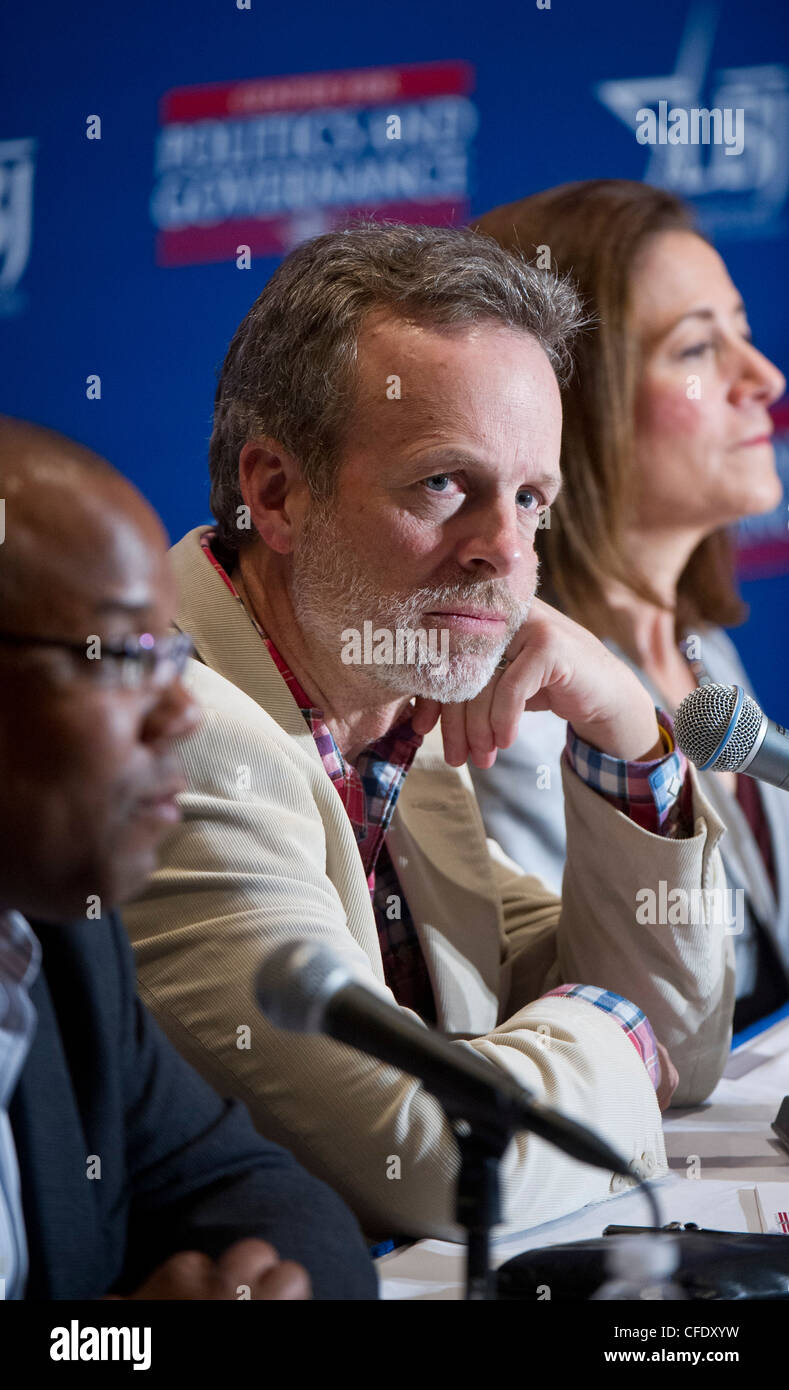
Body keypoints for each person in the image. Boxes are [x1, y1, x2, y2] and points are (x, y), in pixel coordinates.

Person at [124, 221, 735, 1243]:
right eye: (444, 483)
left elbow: (682, 1043)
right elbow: (432, 1157)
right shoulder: (180, 734)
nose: (504, 550)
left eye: (530, 497)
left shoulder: (389, 707)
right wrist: (615, 1038)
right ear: (274, 492)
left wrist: (630, 732)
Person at [0, 417, 377, 1300]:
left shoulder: (60, 948)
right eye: (123, 656)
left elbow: (274, 1204)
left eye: (170, 653)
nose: (182, 714)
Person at [468, 180, 789, 1033]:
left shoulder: (696, 647)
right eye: (695, 351)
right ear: (569, 407)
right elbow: (593, 1010)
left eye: (744, 336)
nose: (763, 378)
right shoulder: (525, 699)